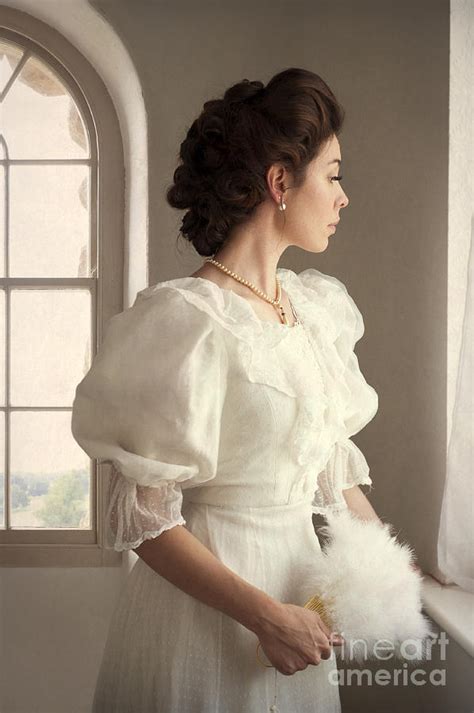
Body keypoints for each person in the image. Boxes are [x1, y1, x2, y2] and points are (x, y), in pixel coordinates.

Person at [71, 67, 384, 713]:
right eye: (333, 174)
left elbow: (330, 465)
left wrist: (393, 572)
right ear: (279, 182)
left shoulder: (312, 311)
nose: (343, 197)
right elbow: (144, 519)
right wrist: (266, 617)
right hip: (211, 616)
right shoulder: (187, 320)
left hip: (301, 614)